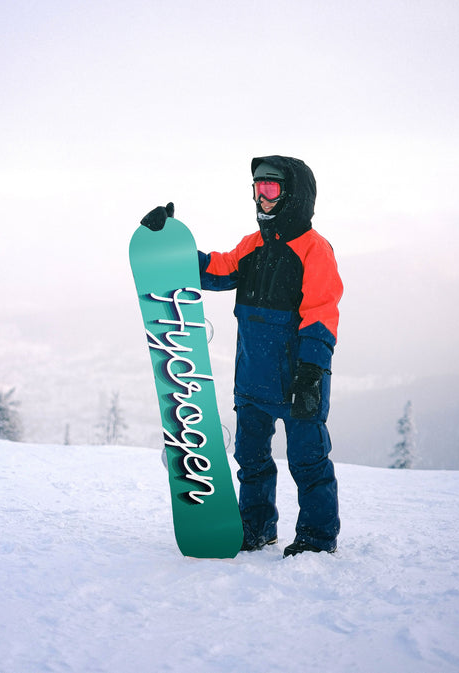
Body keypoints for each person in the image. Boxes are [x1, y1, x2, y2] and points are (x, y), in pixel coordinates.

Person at [141, 155, 343, 557]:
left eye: (271, 189)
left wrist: (312, 371)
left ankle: (317, 538)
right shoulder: (252, 246)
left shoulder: (314, 250)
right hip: (252, 377)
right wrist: (167, 244)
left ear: (293, 195)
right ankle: (256, 527)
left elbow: (321, 312)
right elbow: (217, 270)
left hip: (298, 377)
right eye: (258, 189)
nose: (262, 198)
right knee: (251, 460)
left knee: (308, 461)